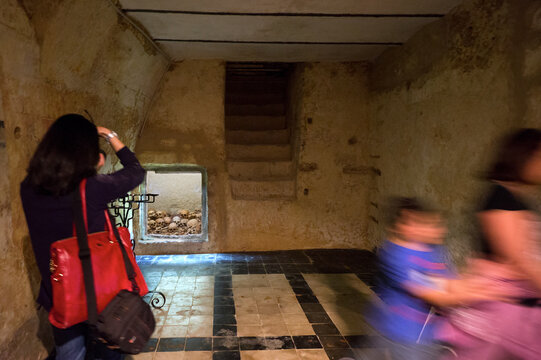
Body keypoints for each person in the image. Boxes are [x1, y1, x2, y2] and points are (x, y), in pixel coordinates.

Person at [20, 114, 145, 360]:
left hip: (59, 292)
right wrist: (110, 136)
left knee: (70, 354)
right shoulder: (94, 188)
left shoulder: (28, 187)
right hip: (100, 294)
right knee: (109, 353)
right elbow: (135, 171)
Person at [439, 129, 541, 359]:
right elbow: (517, 257)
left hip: (515, 302)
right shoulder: (500, 196)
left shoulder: (516, 196)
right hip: (502, 303)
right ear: (524, 156)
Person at [365, 197, 506, 360]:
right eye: (431, 225)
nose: (441, 231)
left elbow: (447, 282)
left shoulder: (435, 249)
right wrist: (487, 294)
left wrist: (482, 284)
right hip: (402, 334)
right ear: (408, 225)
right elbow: (436, 295)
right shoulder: (397, 256)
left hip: (430, 332)